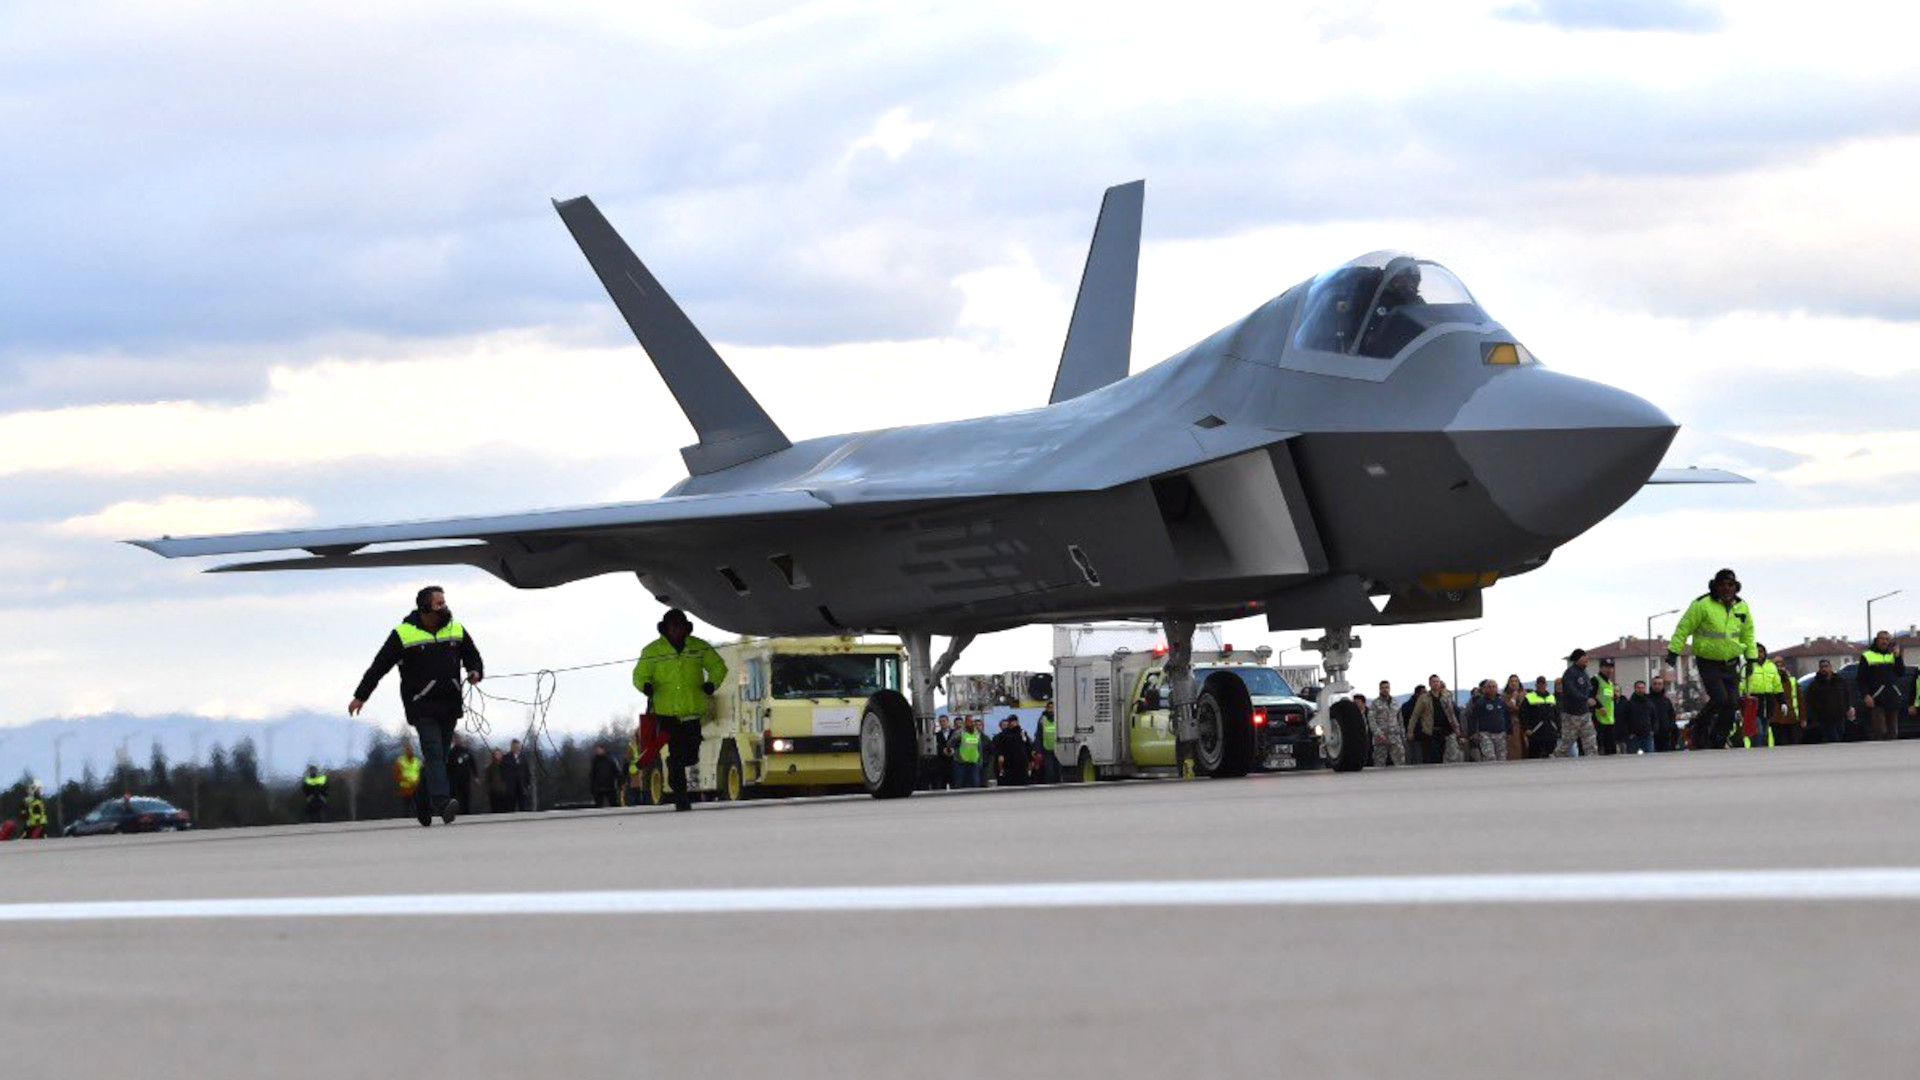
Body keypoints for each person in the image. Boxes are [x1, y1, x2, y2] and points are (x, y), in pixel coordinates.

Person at [351, 585, 484, 826]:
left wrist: (475, 671)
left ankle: (422, 801)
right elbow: (379, 666)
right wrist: (361, 695)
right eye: (439, 603)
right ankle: (443, 803)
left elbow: (472, 655)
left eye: (444, 602)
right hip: (421, 707)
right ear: (425, 607)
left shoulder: (456, 629)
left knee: (440, 759)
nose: (445, 607)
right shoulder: (403, 634)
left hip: (450, 704)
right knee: (433, 753)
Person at [634, 608, 728, 812]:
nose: (676, 630)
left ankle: (675, 767)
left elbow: (718, 666)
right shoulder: (652, 651)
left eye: (680, 626)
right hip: (666, 714)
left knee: (691, 754)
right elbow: (639, 675)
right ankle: (681, 798)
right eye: (673, 626)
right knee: (677, 755)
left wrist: (712, 684)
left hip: (693, 711)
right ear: (666, 628)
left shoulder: (699, 647)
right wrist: (645, 686)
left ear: (686, 628)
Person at [1667, 569, 1755, 751]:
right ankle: (1697, 727)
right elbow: (1684, 627)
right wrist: (1674, 651)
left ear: (1736, 587)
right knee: (1720, 699)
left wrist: (1751, 659)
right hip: (1708, 661)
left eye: (1730, 585)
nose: (1726, 588)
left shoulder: (1742, 606)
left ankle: (1718, 738)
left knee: (1732, 704)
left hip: (1731, 662)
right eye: (1722, 584)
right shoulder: (1702, 604)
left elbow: (1748, 633)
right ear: (1715, 586)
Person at [1858, 630, 1907, 741]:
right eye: (1882, 639)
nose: (1884, 641)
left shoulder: (1893, 655)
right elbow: (1861, 679)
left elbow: (1901, 673)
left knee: (1893, 733)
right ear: (1877, 640)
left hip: (1892, 698)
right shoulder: (1867, 655)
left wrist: (1898, 657)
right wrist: (1866, 695)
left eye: (1887, 639)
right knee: (1880, 732)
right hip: (1876, 699)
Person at [1555, 649, 1599, 758]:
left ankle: (1593, 760)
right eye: (1583, 657)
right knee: (1567, 742)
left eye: (1587, 657)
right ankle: (1555, 758)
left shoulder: (1584, 673)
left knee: (1590, 739)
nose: (1586, 659)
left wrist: (1592, 702)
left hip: (1584, 713)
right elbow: (1571, 691)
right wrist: (1585, 699)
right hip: (1571, 714)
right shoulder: (1570, 673)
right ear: (1576, 659)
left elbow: (1589, 691)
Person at [1740, 644, 1786, 748]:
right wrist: (1738, 705)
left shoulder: (1771, 666)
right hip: (1752, 702)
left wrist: (1782, 702)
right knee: (1758, 730)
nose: (1759, 654)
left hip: (1768, 701)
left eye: (1761, 652)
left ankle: (1763, 752)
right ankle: (1756, 750)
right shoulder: (1747, 667)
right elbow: (1741, 685)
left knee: (1765, 731)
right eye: (1756, 652)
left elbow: (1777, 685)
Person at [1805, 659, 1854, 745]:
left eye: (1826, 666)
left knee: (1840, 735)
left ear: (1830, 667)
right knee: (1833, 739)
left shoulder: (1839, 680)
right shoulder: (1815, 684)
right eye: (1822, 667)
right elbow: (1810, 701)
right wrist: (1816, 714)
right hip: (1825, 718)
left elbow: (1847, 694)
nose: (1824, 669)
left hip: (1840, 716)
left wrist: (1849, 707)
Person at [1465, 679, 1509, 762]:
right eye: (1489, 687)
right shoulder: (1480, 702)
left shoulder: (1501, 701)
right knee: (1490, 757)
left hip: (1500, 733)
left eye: (1494, 687)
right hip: (1486, 734)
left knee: (1502, 757)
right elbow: (1473, 718)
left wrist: (1509, 731)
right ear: (1485, 689)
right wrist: (1473, 732)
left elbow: (1506, 717)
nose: (1492, 689)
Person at [1366, 680, 1407, 767]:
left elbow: (1400, 719)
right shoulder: (1375, 703)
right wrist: (1378, 733)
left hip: (1395, 737)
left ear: (1390, 689)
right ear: (1379, 689)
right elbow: (1371, 720)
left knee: (1400, 762)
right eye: (1382, 688)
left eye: (1387, 688)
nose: (1385, 690)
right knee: (1379, 763)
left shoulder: (1395, 702)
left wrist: (1402, 734)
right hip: (1381, 737)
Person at [1521, 676, 1559, 759]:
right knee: (1534, 755)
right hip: (1535, 732)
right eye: (1539, 683)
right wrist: (1526, 728)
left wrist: (1558, 728)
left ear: (1546, 685)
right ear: (1536, 685)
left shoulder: (1552, 697)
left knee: (1550, 755)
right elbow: (1523, 714)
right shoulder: (1529, 697)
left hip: (1550, 731)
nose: (1541, 685)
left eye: (1543, 683)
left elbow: (1556, 714)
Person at [1618, 681, 1656, 754]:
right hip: (1633, 737)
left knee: (1650, 759)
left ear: (1645, 689)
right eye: (1638, 688)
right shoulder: (1629, 704)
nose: (1640, 690)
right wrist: (1628, 733)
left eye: (1642, 688)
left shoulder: (1649, 703)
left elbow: (1654, 718)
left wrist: (1652, 731)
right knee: (1632, 760)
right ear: (1635, 689)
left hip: (1647, 736)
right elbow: (1623, 720)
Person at [993, 716, 1031, 787]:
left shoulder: (1022, 733)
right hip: (1009, 762)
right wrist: (1000, 755)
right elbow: (1000, 747)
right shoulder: (1004, 734)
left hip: (1021, 761)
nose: (1013, 724)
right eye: (1011, 722)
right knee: (1009, 781)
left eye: (1014, 722)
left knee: (1022, 781)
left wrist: (1030, 760)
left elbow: (1027, 746)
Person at [445, 736, 478, 814]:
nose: (457, 741)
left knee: (466, 796)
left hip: (466, 778)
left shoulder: (466, 751)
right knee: (456, 797)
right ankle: (456, 813)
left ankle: (467, 812)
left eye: (458, 739)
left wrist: (476, 775)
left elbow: (472, 763)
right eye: (455, 739)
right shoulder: (451, 753)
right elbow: (447, 767)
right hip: (454, 780)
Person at [1592, 659, 1619, 755]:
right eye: (1606, 667)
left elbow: (1605, 697)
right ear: (1601, 668)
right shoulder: (1595, 679)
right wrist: (1599, 707)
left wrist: (1614, 697)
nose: (1609, 670)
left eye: (1611, 667)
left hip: (1609, 719)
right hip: (1598, 719)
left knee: (1611, 750)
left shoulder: (1610, 683)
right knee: (1601, 748)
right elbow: (1591, 696)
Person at [1648, 676, 1680, 752]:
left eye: (1659, 684)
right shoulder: (1647, 700)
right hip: (1650, 736)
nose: (1657, 686)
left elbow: (1672, 716)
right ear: (1651, 685)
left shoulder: (1666, 701)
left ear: (1663, 686)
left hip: (1665, 736)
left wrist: (1669, 727)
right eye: (1655, 684)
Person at [393, 739, 422, 817]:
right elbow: (397, 775)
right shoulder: (400, 761)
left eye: (411, 749)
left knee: (418, 806)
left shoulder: (417, 761)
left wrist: (417, 782)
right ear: (404, 751)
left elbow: (421, 773)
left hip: (417, 788)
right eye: (407, 749)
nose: (409, 751)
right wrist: (408, 781)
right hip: (405, 789)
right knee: (406, 808)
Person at [1400, 685, 1428, 764]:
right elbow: (1404, 721)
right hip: (1413, 736)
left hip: (1423, 735)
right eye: (1423, 693)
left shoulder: (1425, 705)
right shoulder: (1408, 706)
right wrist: (1409, 732)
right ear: (1417, 694)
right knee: (1415, 758)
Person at [1501, 675, 1527, 762]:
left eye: (1516, 681)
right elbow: (1507, 708)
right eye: (1511, 681)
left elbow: (1525, 708)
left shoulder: (1524, 694)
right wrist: (1513, 698)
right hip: (1510, 722)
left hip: (1524, 721)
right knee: (1513, 744)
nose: (1514, 683)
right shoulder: (1504, 695)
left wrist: (1517, 708)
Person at [954, 717, 985, 789]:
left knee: (974, 784)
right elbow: (950, 744)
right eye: (969, 722)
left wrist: (980, 761)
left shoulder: (976, 734)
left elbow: (979, 748)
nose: (971, 723)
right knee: (960, 784)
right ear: (965, 723)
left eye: (972, 722)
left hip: (974, 762)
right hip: (961, 762)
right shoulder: (959, 732)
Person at [502, 738, 532, 812]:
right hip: (511, 785)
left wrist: (528, 783)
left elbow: (526, 770)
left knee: (523, 805)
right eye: (515, 746)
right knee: (511, 805)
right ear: (512, 747)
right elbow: (503, 772)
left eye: (518, 746)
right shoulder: (506, 757)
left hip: (522, 785)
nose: (517, 748)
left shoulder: (523, 757)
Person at [1036, 705, 1060, 784]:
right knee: (1050, 772)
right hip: (1047, 750)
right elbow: (1039, 736)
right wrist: (1038, 751)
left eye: (1053, 707)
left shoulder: (1059, 717)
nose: (1051, 709)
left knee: (1058, 772)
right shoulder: (1042, 720)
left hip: (1059, 749)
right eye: (1049, 707)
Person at [484, 748, 513, 814]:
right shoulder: (490, 767)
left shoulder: (506, 766)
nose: (498, 756)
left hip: (505, 792)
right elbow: (487, 780)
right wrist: (488, 790)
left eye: (499, 754)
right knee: (495, 810)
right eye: (496, 754)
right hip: (494, 792)